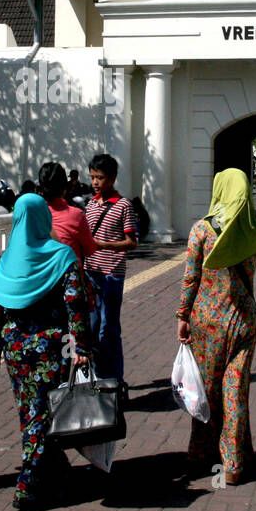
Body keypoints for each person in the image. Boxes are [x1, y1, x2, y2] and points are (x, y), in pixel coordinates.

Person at [0, 194, 92, 511]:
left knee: (32, 413)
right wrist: (81, 347)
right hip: (51, 351)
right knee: (41, 415)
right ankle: (26, 486)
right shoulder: (61, 256)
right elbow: (75, 305)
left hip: (16, 353)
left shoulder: (6, 262)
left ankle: (55, 473)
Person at [177, 169, 256, 485]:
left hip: (207, 322)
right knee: (235, 388)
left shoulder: (201, 231)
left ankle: (199, 455)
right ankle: (234, 464)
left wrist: (182, 315)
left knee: (207, 390)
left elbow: (191, 278)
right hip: (244, 321)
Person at [83, 153, 138, 382]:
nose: (95, 182)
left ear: (113, 178)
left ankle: (114, 378)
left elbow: (132, 242)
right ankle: (96, 375)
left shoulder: (124, 205)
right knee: (91, 326)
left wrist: (105, 245)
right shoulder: (90, 204)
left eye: (100, 177)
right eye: (93, 177)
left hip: (112, 274)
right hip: (90, 273)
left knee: (109, 327)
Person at [37, 161, 99, 264]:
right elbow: (90, 250)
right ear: (63, 187)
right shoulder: (76, 215)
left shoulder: (32, 215)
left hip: (39, 278)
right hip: (66, 277)